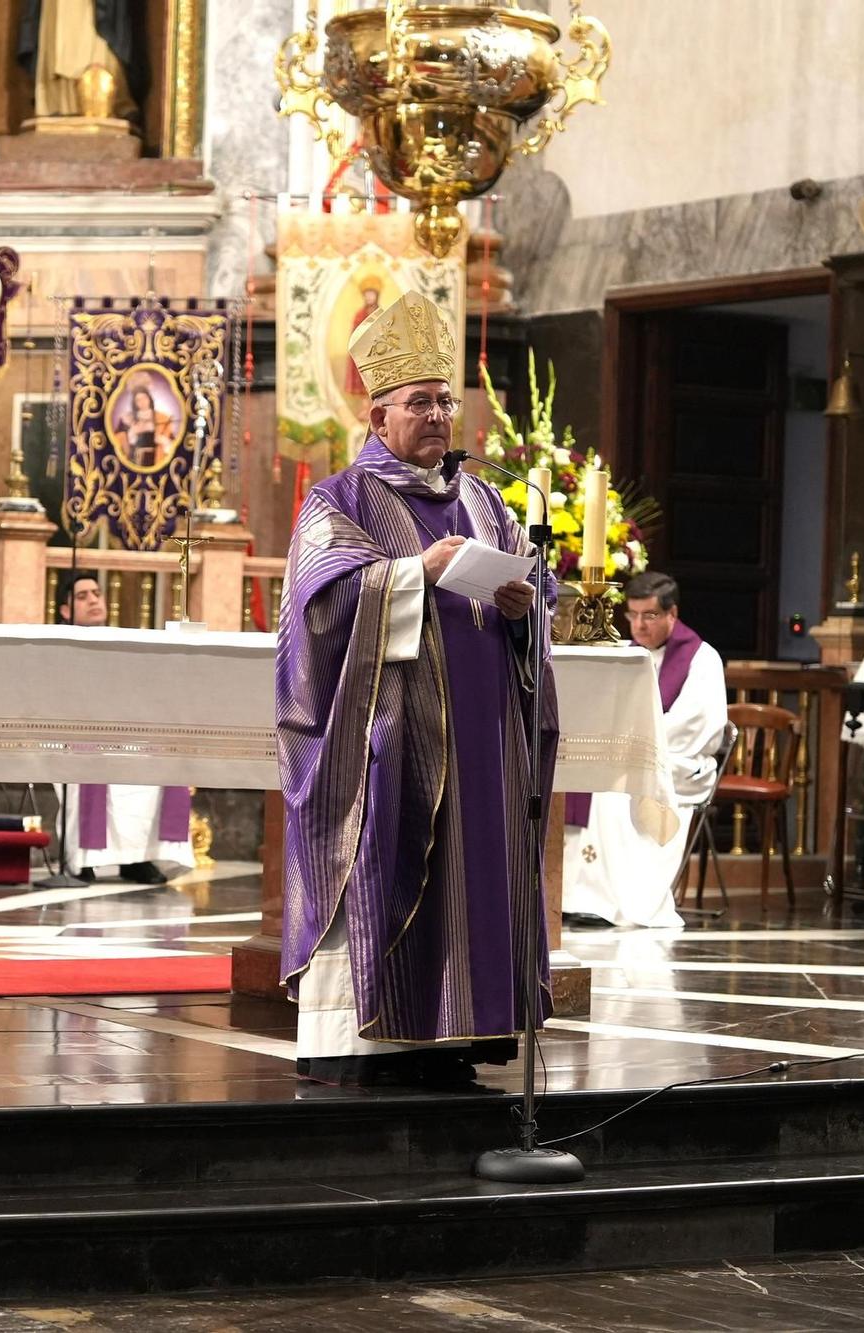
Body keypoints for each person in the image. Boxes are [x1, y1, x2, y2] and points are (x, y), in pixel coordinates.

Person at [278, 290, 550, 1088]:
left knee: (474, 877)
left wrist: (524, 604)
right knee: (392, 861)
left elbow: (534, 596)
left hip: (482, 735)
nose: (436, 415)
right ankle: (370, 1036)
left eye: (443, 399)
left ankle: (465, 1028)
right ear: (377, 416)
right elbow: (319, 604)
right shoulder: (341, 499)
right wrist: (409, 575)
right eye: (417, 402)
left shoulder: (485, 498)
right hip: (389, 735)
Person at [561, 571, 727, 929]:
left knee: (614, 790)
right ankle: (578, 896)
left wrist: (632, 738)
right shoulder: (627, 655)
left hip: (680, 762)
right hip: (629, 755)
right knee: (585, 777)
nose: (639, 625)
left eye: (649, 616)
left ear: (672, 614)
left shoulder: (702, 658)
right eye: (632, 615)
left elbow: (698, 724)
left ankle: (622, 901)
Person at [55, 570, 194, 884]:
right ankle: (84, 858)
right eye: (82, 596)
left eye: (96, 593)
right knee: (92, 763)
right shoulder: (61, 645)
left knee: (162, 762)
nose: (93, 600)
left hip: (124, 731)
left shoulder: (125, 641)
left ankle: (139, 858)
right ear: (65, 611)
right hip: (78, 733)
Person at [115, 385, 177, 468]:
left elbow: (172, 442)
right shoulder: (127, 419)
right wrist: (132, 433)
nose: (142, 402)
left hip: (157, 458)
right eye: (138, 400)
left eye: (144, 398)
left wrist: (163, 440)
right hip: (135, 460)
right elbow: (119, 441)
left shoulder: (162, 418)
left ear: (149, 399)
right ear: (135, 403)